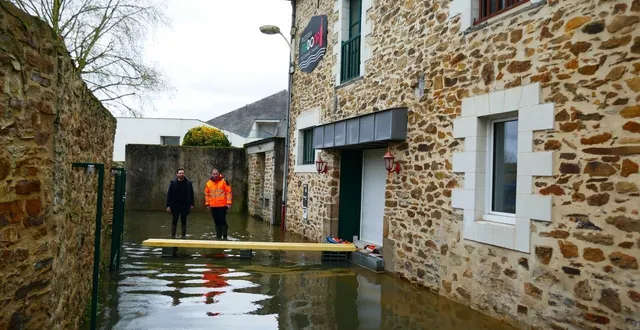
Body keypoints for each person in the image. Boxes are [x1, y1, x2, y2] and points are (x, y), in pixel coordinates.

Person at [165, 168, 194, 238]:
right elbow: (169, 195)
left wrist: (192, 204)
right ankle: (173, 236)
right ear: (177, 174)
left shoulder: (188, 183)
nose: (181, 174)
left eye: (182, 173)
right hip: (175, 205)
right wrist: (168, 205)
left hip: (185, 205)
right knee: (174, 220)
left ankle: (183, 236)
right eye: (180, 173)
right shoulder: (173, 183)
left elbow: (191, 194)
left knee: (184, 220)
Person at [204, 169, 232, 240]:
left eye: (216, 174)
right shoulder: (209, 183)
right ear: (212, 174)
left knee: (222, 220)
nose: (215, 175)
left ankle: (225, 236)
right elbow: (207, 194)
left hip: (222, 205)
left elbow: (228, 192)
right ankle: (218, 236)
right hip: (213, 206)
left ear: (219, 174)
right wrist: (207, 204)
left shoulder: (224, 182)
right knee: (216, 221)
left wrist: (228, 203)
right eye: (214, 174)